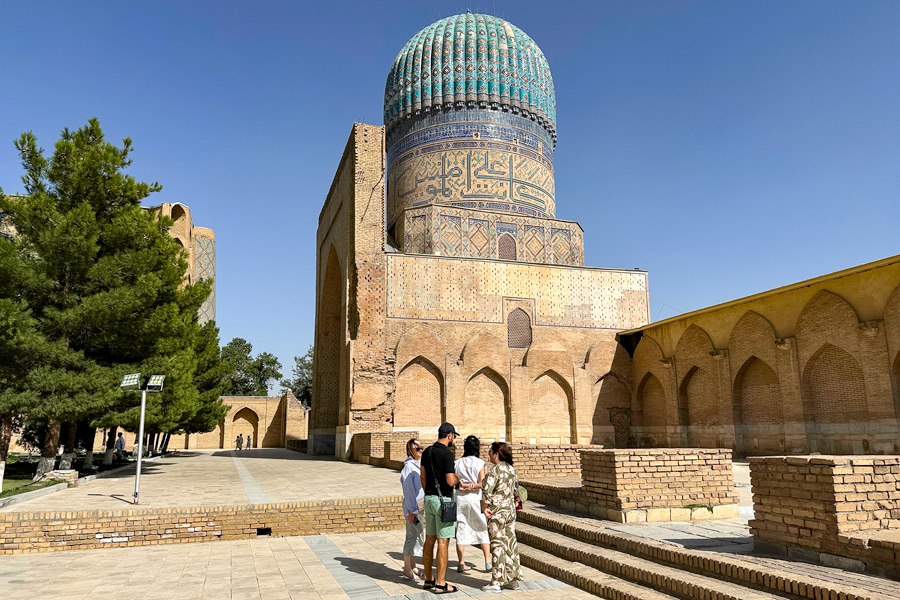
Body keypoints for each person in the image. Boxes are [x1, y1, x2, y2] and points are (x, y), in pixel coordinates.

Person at [420, 422, 461, 595]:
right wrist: (458, 477)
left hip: (428, 498)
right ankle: (441, 583)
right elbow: (451, 481)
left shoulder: (427, 451)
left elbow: (423, 476)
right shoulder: (447, 454)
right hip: (442, 500)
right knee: (443, 542)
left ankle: (428, 579)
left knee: (430, 540)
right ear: (450, 435)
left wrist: (429, 493)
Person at [481, 442, 522, 592]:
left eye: (490, 452)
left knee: (497, 545)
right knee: (510, 544)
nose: (489, 455)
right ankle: (513, 579)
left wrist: (484, 509)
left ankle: (496, 581)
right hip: (510, 511)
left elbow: (487, 491)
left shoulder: (495, 471)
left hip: (496, 512)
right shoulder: (511, 469)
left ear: (496, 454)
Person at [454, 435, 490, 573]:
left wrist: (462, 486)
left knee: (461, 528)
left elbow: (453, 482)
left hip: (461, 499)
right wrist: (473, 486)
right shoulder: (480, 463)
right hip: (475, 498)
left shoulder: (457, 463)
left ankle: (461, 562)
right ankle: (487, 562)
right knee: (481, 526)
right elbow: (482, 483)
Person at [399, 438, 425, 581]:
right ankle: (407, 569)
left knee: (416, 536)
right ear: (410, 450)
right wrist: (412, 511)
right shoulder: (408, 467)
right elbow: (409, 491)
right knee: (411, 536)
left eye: (422, 448)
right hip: (412, 507)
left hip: (419, 506)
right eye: (417, 449)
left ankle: (413, 565)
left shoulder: (419, 465)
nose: (421, 451)